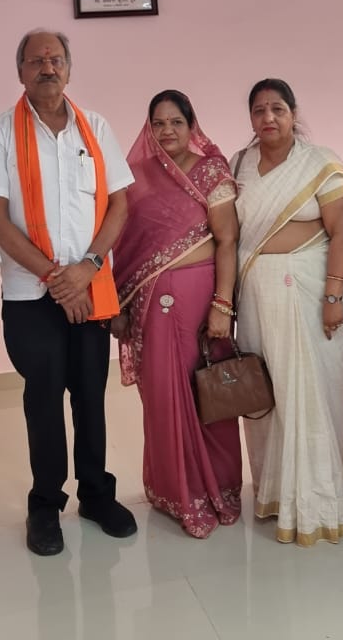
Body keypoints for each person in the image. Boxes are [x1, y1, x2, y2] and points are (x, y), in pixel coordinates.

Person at [0, 29, 138, 557]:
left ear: (69, 68)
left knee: (91, 395)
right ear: (20, 71)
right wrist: (55, 279)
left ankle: (96, 495)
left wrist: (87, 270)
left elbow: (119, 204)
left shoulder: (96, 128)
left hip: (90, 286)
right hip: (31, 295)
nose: (48, 67)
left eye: (56, 59)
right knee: (43, 401)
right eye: (36, 60)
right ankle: (45, 504)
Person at [110, 90, 243, 538]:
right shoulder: (137, 177)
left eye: (176, 122)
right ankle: (176, 493)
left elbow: (227, 240)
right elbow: (125, 246)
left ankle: (217, 490)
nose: (167, 131)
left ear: (192, 126)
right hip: (147, 303)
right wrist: (120, 305)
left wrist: (223, 304)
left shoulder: (210, 170)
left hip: (200, 298)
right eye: (158, 123)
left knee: (205, 391)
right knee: (164, 394)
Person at [232, 78, 343, 546]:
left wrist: (332, 296)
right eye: (259, 110)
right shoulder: (239, 164)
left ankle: (320, 499)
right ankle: (276, 493)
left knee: (315, 389)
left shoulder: (320, 162)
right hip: (257, 293)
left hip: (309, 288)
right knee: (269, 394)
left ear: (293, 112)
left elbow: (342, 233)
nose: (268, 118)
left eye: (277, 109)